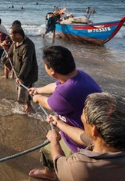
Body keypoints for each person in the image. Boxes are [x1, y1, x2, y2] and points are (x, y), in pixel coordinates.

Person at [28, 46, 102, 180]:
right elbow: (56, 86)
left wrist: (37, 98)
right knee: (47, 149)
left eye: (45, 65)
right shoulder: (79, 75)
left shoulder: (65, 92)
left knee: (53, 153)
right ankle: (49, 173)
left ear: (51, 71)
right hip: (84, 132)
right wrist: (38, 90)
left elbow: (49, 103)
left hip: (82, 142)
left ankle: (54, 174)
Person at [42, 92, 125, 180]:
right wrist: (58, 123)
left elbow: (59, 163)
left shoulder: (81, 166)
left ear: (94, 130)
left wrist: (54, 141)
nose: (81, 117)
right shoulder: (113, 141)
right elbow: (81, 135)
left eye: (83, 116)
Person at [7, 26, 38, 112]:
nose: (9, 36)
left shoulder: (28, 45)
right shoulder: (15, 42)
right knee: (19, 88)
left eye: (10, 34)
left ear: (17, 35)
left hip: (28, 73)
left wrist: (21, 76)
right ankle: (20, 100)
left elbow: (27, 63)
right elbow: (12, 49)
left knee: (26, 91)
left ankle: (29, 106)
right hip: (18, 71)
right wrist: (9, 54)